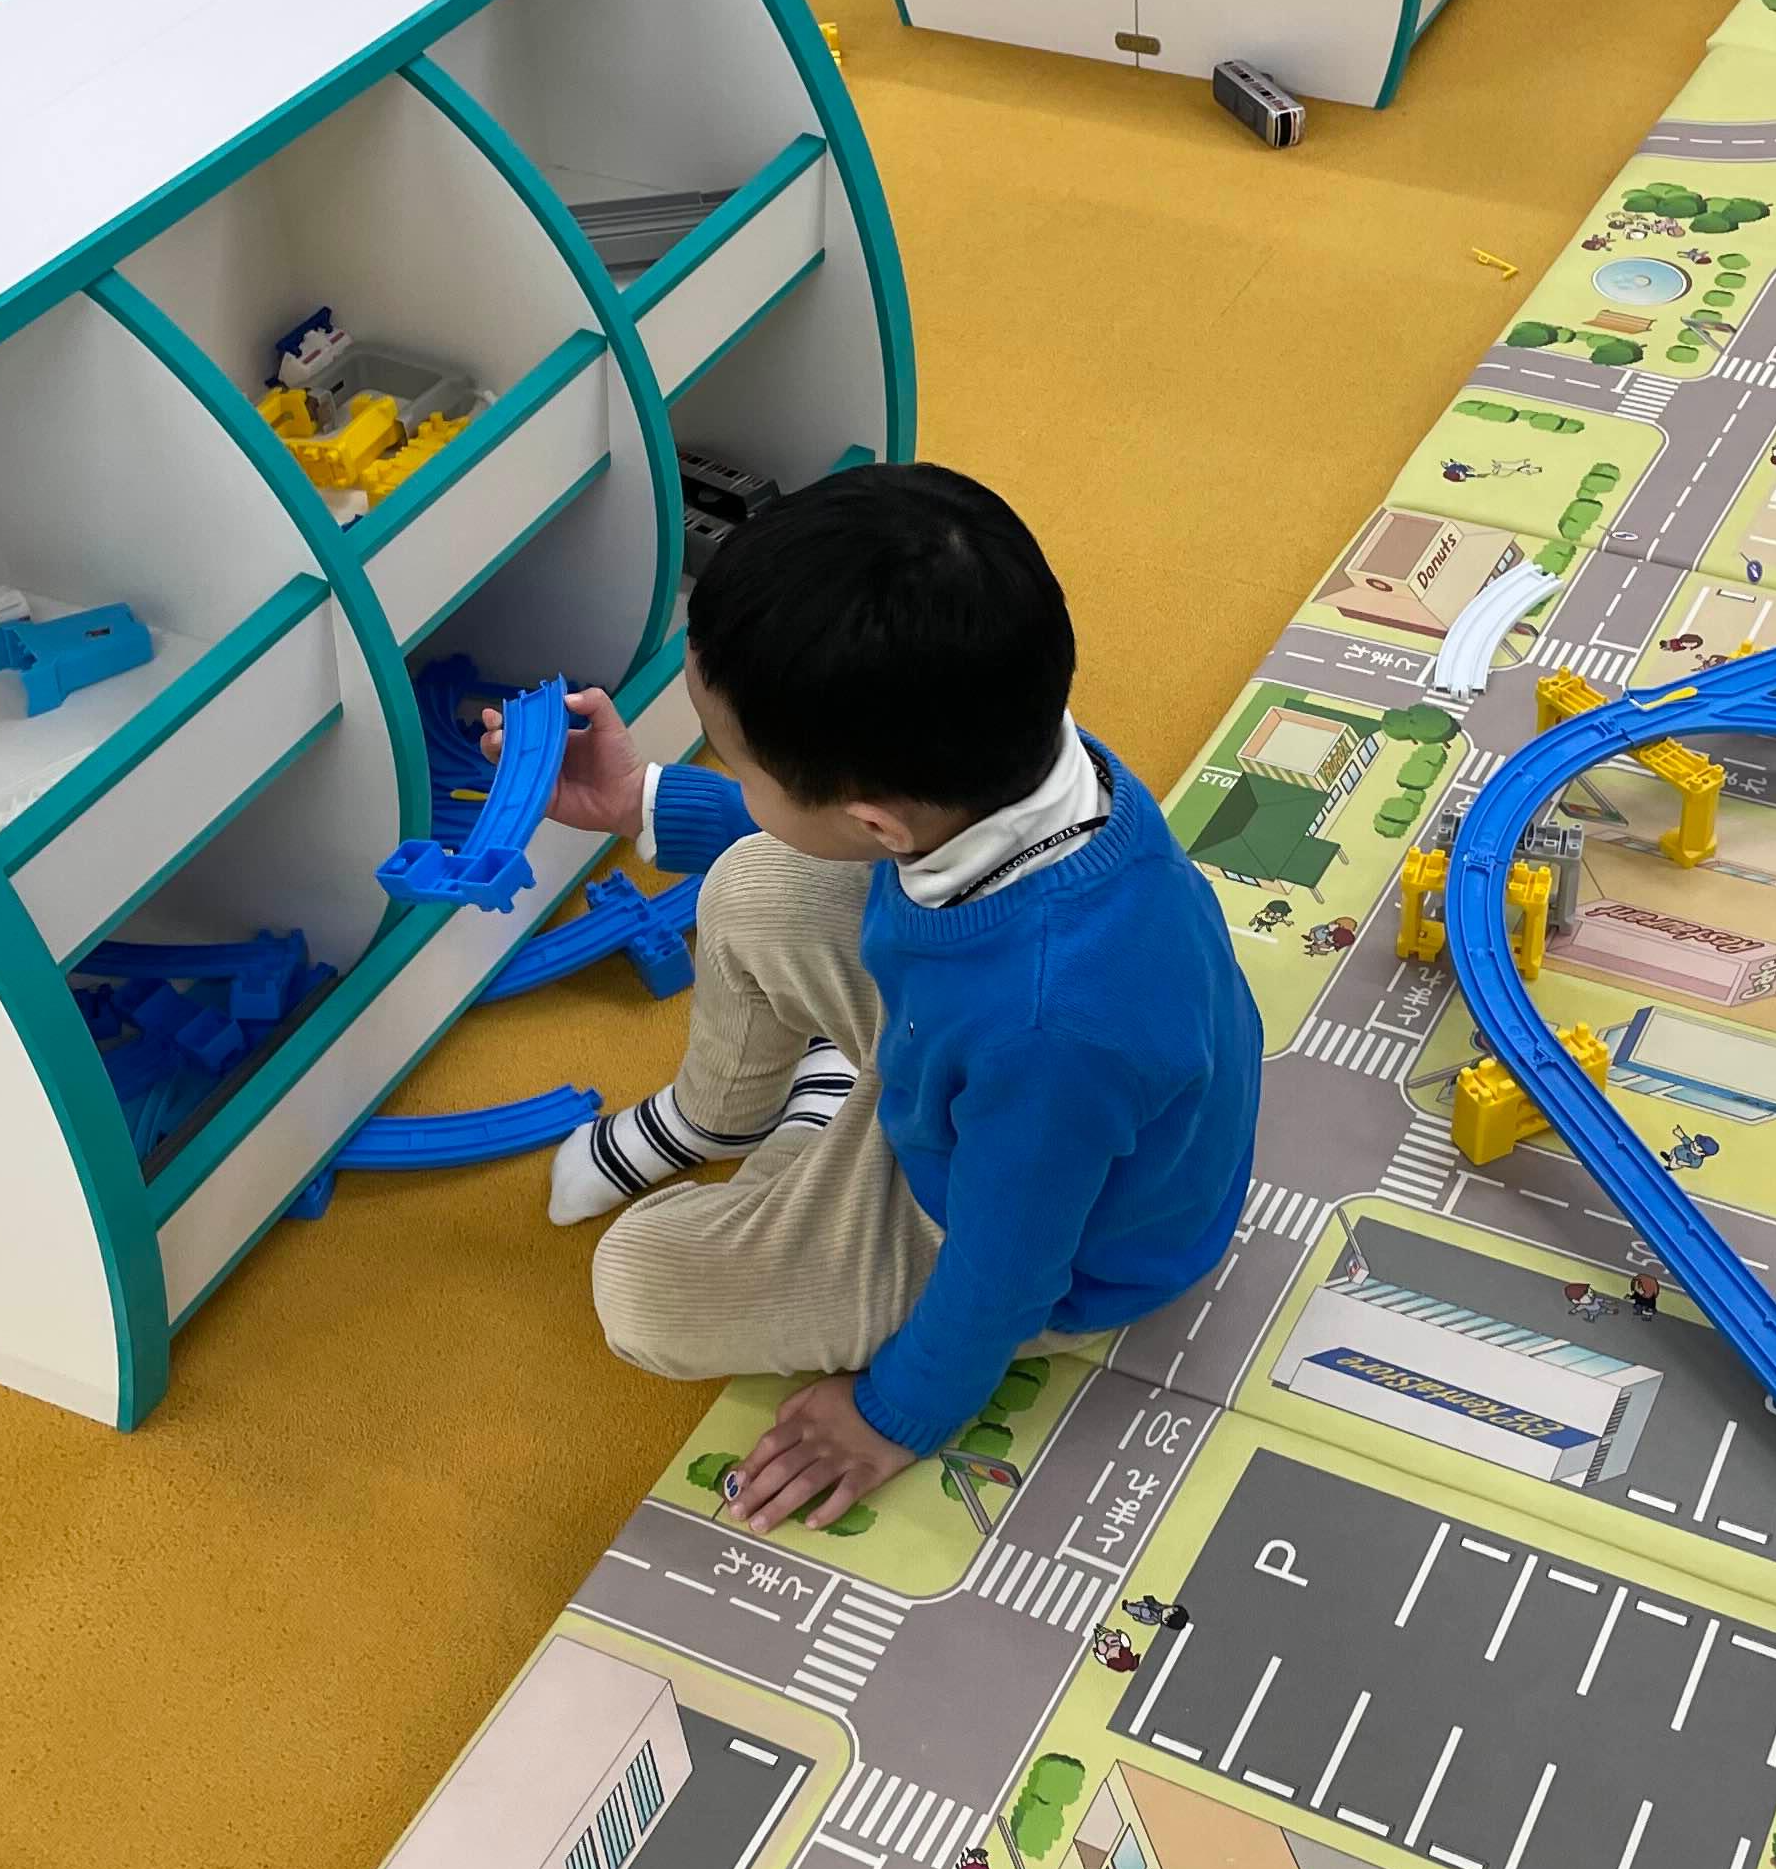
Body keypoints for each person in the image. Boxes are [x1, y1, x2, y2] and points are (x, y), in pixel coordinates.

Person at [530, 464, 1263, 1533]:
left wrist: (896, 1414)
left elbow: (1007, 1273)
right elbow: (824, 838)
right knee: (752, 882)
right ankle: (724, 1117)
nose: (729, 775)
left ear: (877, 823)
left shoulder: (1052, 1028)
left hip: (1052, 1238)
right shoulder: (1019, 758)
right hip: (992, 1074)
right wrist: (641, 798)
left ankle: (816, 1129)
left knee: (640, 1287)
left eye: (735, 764)